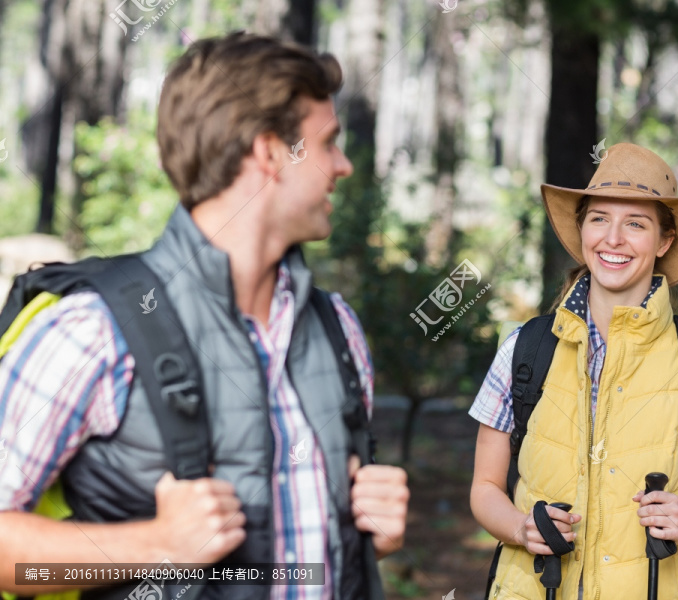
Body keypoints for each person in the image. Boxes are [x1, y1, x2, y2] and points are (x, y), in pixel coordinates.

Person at [0, 32, 408, 600]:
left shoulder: (338, 329)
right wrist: (156, 546)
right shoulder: (92, 330)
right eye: (329, 143)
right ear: (270, 152)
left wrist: (369, 535)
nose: (342, 166)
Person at [469, 143, 678, 600]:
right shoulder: (525, 349)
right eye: (599, 219)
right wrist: (521, 527)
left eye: (635, 224)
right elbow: (484, 487)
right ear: (582, 232)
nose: (612, 238)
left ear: (664, 241)